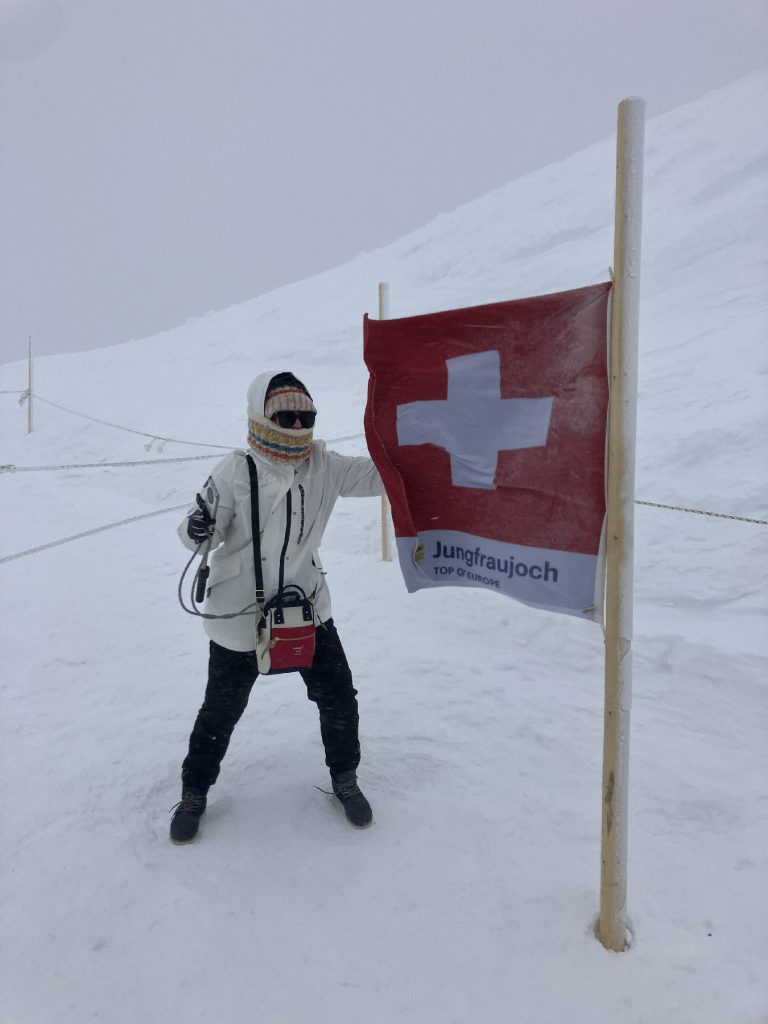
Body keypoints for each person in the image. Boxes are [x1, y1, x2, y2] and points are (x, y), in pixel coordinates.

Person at [170, 370, 385, 844]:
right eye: (286, 416)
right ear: (261, 417)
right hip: (240, 616)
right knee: (220, 711)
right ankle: (193, 793)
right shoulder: (235, 471)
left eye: (306, 416)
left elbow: (379, 476)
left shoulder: (324, 465)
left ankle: (345, 779)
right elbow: (195, 536)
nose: (298, 424)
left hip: (307, 606)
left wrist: (420, 449)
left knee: (338, 697)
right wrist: (198, 527)